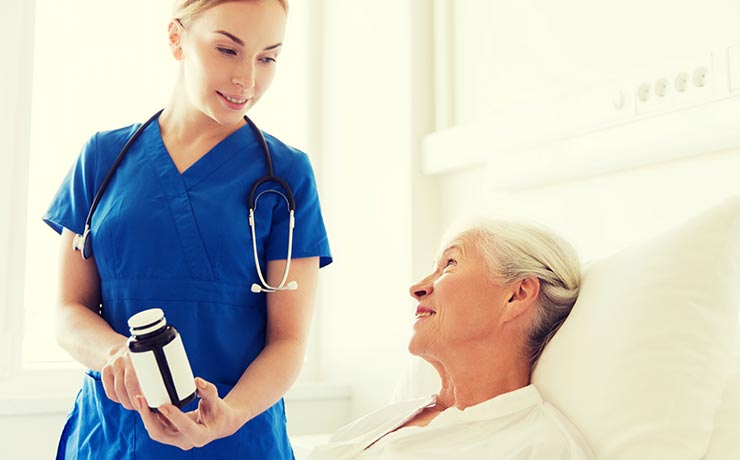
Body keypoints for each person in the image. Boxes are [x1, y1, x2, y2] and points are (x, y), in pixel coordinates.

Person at [43, 1, 331, 458]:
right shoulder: (102, 158)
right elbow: (68, 312)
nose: (248, 79)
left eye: (267, 57)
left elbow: (289, 341)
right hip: (115, 439)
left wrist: (229, 416)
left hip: (239, 441)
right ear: (176, 38)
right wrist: (115, 354)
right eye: (227, 50)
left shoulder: (286, 175)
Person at [307, 220, 593, 460]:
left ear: (516, 295)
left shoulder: (538, 447)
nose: (417, 288)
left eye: (449, 264)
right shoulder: (394, 417)